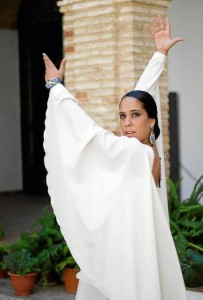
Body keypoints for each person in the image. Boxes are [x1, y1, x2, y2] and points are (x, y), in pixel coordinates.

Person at [43, 16, 186, 300]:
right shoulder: (151, 149)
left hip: (126, 255)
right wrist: (159, 55)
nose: (127, 123)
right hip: (139, 250)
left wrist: (56, 87)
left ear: (151, 121)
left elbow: (87, 132)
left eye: (135, 116)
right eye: (122, 116)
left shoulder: (133, 152)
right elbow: (146, 94)